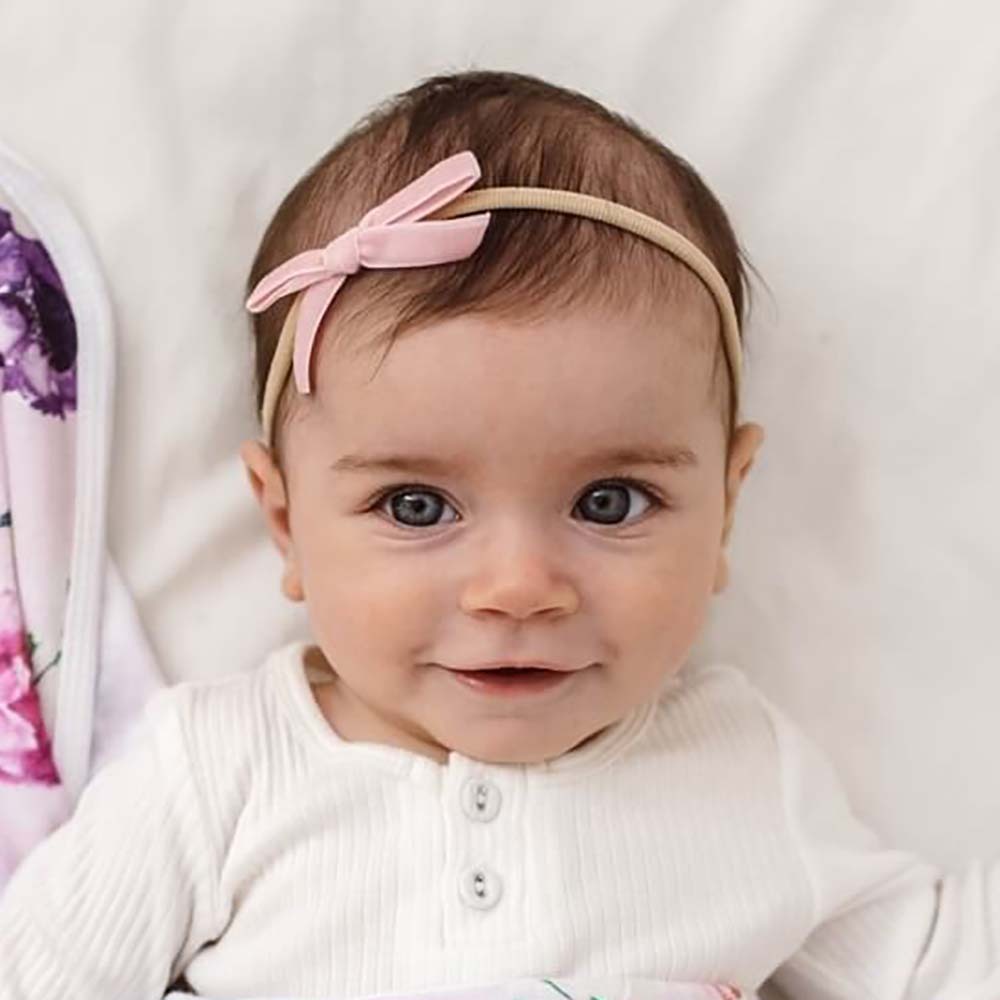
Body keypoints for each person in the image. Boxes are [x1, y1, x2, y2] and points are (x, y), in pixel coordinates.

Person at [0, 69, 996, 1000]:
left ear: (726, 505)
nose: (518, 587)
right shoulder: (214, 770)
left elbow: (943, 964)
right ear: (285, 523)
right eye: (417, 507)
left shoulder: (744, 770)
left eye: (608, 502)